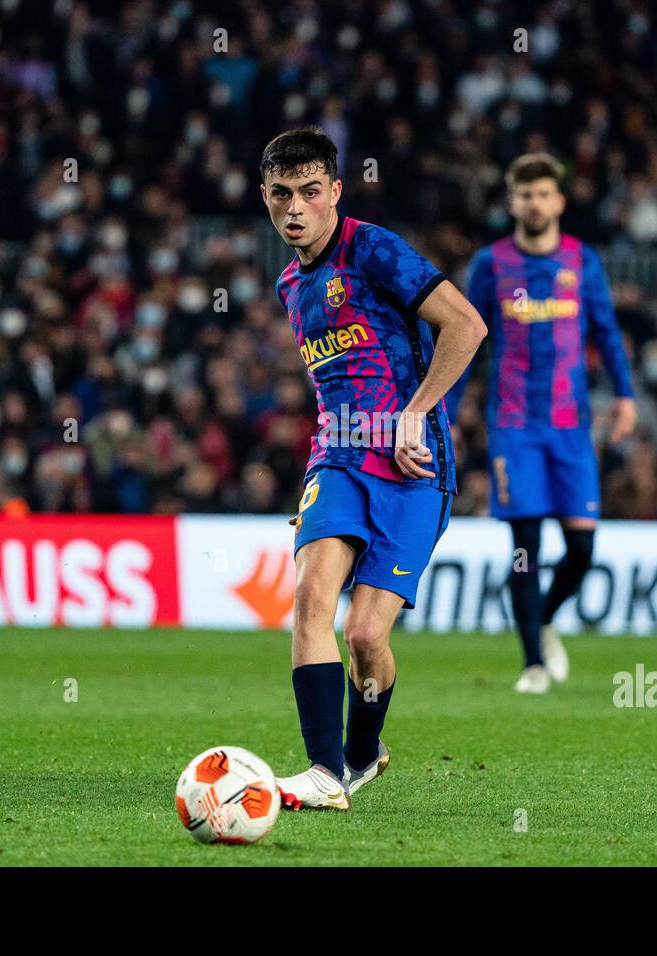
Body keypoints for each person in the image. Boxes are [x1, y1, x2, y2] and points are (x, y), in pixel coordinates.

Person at [261, 126, 485, 809]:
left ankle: (362, 752)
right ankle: (326, 772)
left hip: (415, 468)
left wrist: (414, 413)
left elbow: (467, 326)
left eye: (307, 192)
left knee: (364, 636)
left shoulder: (374, 248)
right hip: (337, 456)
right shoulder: (290, 284)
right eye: (279, 195)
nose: (293, 208)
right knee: (310, 601)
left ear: (333, 192)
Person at [447, 153, 636, 694]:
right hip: (513, 425)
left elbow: (606, 332)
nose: (533, 203)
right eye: (524, 194)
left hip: (571, 425)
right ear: (512, 202)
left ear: (559, 201)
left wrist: (624, 396)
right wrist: (451, 412)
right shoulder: (490, 264)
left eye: (543, 194)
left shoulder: (583, 260)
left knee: (581, 549)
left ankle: (545, 617)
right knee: (525, 545)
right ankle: (532, 662)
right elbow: (465, 338)